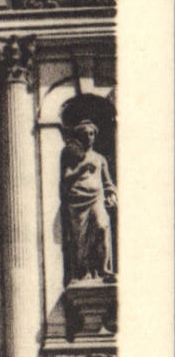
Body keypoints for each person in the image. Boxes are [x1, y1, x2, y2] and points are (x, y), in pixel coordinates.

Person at [60, 119, 116, 282]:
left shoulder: (100, 158)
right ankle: (83, 271)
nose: (89, 137)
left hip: (96, 199)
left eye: (92, 134)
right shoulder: (74, 155)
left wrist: (111, 194)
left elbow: (108, 183)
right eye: (85, 134)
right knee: (81, 238)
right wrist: (81, 169)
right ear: (79, 137)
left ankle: (104, 267)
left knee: (102, 226)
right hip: (77, 202)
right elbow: (66, 177)